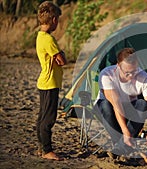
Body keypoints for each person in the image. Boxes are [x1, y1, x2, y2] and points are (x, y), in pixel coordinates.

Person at [94, 48, 147, 156]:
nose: (131, 76)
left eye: (134, 71)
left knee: (143, 104)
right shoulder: (107, 74)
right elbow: (116, 105)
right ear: (118, 66)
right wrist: (125, 131)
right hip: (108, 108)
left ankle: (119, 148)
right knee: (106, 105)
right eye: (127, 73)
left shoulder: (144, 77)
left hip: (129, 107)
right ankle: (121, 145)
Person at [36, 1, 67, 160]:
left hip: (44, 82)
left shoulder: (40, 36)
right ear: (54, 20)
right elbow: (61, 60)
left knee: (42, 117)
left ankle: (41, 148)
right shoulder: (49, 39)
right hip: (50, 83)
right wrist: (62, 53)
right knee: (48, 118)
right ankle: (47, 150)